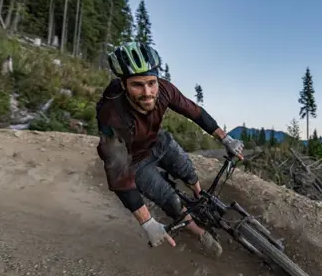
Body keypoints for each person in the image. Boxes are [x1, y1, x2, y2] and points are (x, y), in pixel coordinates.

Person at [95, 41, 244, 258]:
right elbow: (120, 178)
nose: (147, 92)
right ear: (124, 85)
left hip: (158, 141)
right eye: (137, 85)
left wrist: (225, 138)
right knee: (171, 201)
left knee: (188, 172)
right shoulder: (112, 116)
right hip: (134, 162)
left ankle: (200, 196)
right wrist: (148, 223)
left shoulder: (164, 90)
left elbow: (194, 112)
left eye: (151, 83)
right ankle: (198, 231)